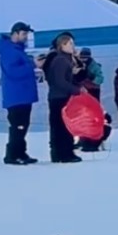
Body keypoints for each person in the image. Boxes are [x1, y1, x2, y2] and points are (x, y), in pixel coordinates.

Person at [0, 23, 40, 165]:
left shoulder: (17, 50)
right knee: (18, 125)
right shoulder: (10, 51)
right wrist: (32, 65)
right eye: (24, 34)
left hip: (23, 95)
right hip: (16, 96)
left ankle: (20, 152)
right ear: (15, 33)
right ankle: (12, 155)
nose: (26, 37)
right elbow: (13, 72)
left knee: (23, 125)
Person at [40, 33, 84, 164]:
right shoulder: (60, 60)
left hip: (60, 96)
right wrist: (76, 90)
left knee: (60, 126)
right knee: (62, 126)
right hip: (60, 97)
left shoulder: (66, 59)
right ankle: (64, 153)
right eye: (70, 44)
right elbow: (59, 81)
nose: (73, 46)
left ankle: (61, 153)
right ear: (62, 45)